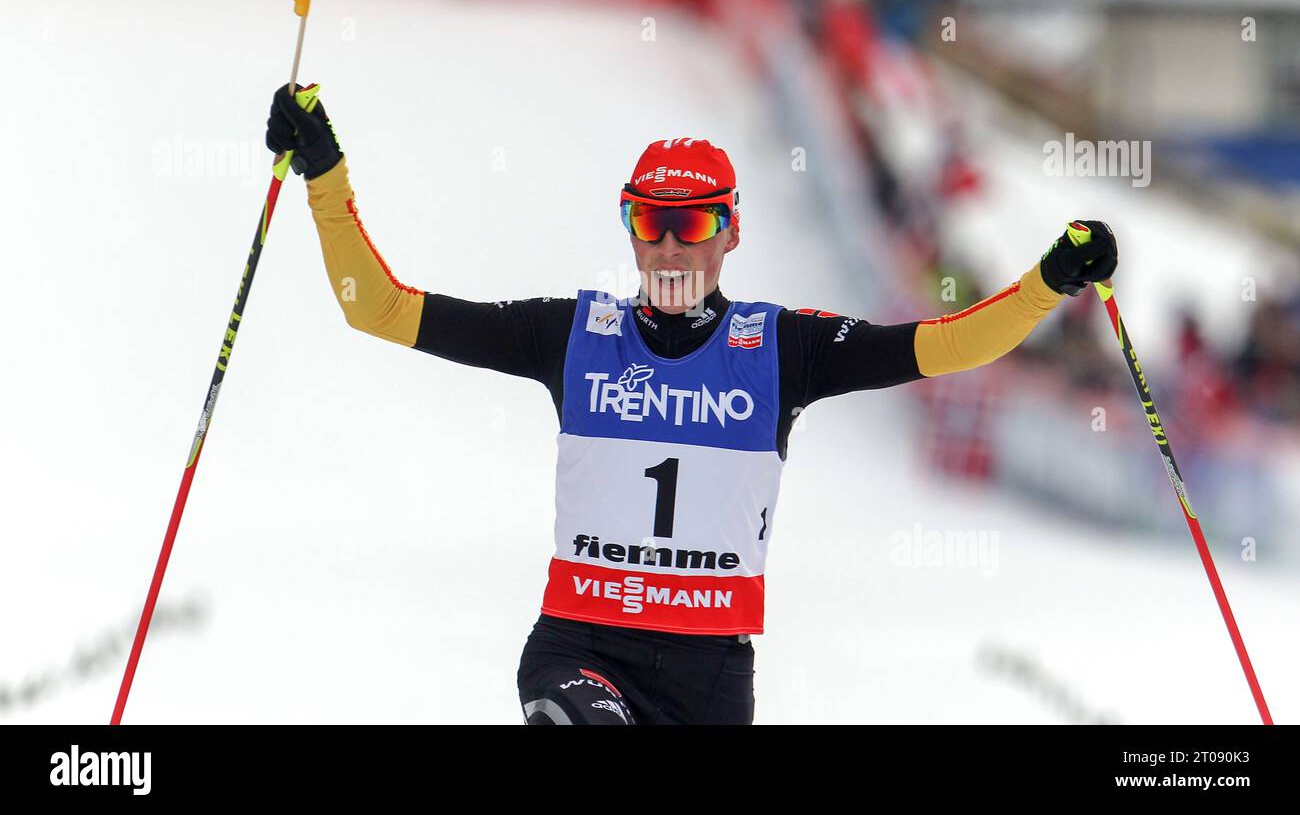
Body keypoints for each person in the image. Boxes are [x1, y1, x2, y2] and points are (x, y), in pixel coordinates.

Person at [266, 84, 1119, 725]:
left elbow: (947, 346)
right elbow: (372, 306)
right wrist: (323, 173)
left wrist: (1049, 282)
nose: (670, 244)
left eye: (694, 223)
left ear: (731, 232)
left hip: (710, 676)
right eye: (651, 222)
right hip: (581, 646)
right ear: (630, 229)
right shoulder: (573, 333)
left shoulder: (783, 349)